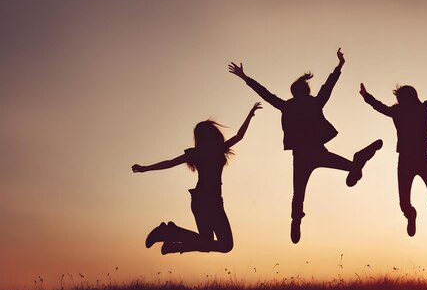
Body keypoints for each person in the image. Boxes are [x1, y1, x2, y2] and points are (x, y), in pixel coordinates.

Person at [229, 48, 382, 244]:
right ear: (306, 91)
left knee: (298, 193)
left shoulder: (288, 105)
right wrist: (339, 66)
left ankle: (296, 220)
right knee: (349, 170)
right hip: (317, 152)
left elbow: (266, 94)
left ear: (293, 93)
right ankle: (357, 161)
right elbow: (328, 87)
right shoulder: (315, 103)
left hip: (302, 156)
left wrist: (245, 77)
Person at [131, 102, 262, 254]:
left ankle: (169, 235)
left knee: (207, 241)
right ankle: (169, 234)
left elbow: (239, 136)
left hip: (205, 200)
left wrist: (250, 115)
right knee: (224, 245)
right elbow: (170, 163)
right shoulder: (209, 151)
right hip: (208, 200)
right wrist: (145, 168)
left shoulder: (202, 152)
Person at [359, 74, 427, 244]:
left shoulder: (411, 110)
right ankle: (412, 215)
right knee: (407, 201)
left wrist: (366, 96)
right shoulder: (412, 110)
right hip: (410, 160)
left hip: (419, 159)